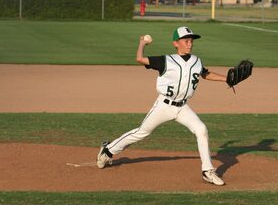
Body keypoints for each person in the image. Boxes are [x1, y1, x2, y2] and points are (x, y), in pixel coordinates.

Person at [97, 26, 229, 186]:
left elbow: (205, 73)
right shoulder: (166, 60)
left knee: (201, 130)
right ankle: (108, 150)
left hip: (183, 108)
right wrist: (142, 44)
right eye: (186, 40)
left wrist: (227, 79)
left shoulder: (196, 61)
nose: (190, 44)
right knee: (142, 132)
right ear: (176, 43)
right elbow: (140, 59)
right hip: (164, 106)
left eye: (191, 40)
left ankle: (207, 171)